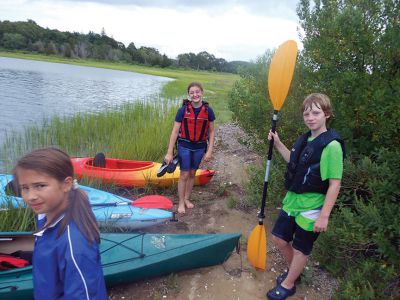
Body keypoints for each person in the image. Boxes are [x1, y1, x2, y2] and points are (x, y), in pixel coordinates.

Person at [266, 93, 345, 300]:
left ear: (326, 115)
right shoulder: (305, 139)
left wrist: (324, 216)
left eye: (316, 113)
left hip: (313, 206)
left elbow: (335, 183)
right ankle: (296, 271)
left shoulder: (332, 146)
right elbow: (294, 162)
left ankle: (290, 283)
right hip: (293, 199)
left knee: (301, 248)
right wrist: (278, 143)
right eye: (307, 113)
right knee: (279, 238)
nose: (310, 117)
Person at [13, 147, 107, 300]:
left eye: (40, 186)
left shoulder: (74, 244)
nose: (30, 196)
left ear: (66, 184)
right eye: (25, 188)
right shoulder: (44, 214)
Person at [164, 82, 215, 214]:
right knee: (184, 174)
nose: (195, 95)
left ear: (202, 93)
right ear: (189, 95)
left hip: (199, 147)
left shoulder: (208, 111)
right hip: (184, 146)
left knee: (192, 174)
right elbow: (175, 132)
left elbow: (211, 132)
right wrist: (169, 153)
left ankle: (187, 198)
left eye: (197, 92)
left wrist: (209, 150)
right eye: (192, 92)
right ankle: (181, 202)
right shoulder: (182, 110)